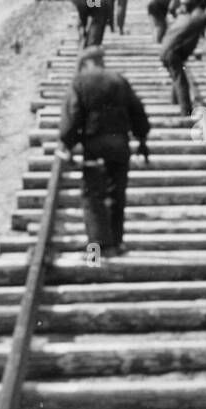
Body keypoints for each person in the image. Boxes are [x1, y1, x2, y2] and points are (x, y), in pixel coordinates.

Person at [56, 46, 151, 257]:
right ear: (101, 61)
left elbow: (72, 117)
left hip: (95, 147)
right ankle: (117, 244)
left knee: (92, 196)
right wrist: (142, 138)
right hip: (120, 147)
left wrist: (68, 143)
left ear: (85, 62)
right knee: (117, 193)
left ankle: (98, 249)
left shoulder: (79, 82)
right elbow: (137, 110)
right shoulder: (118, 80)